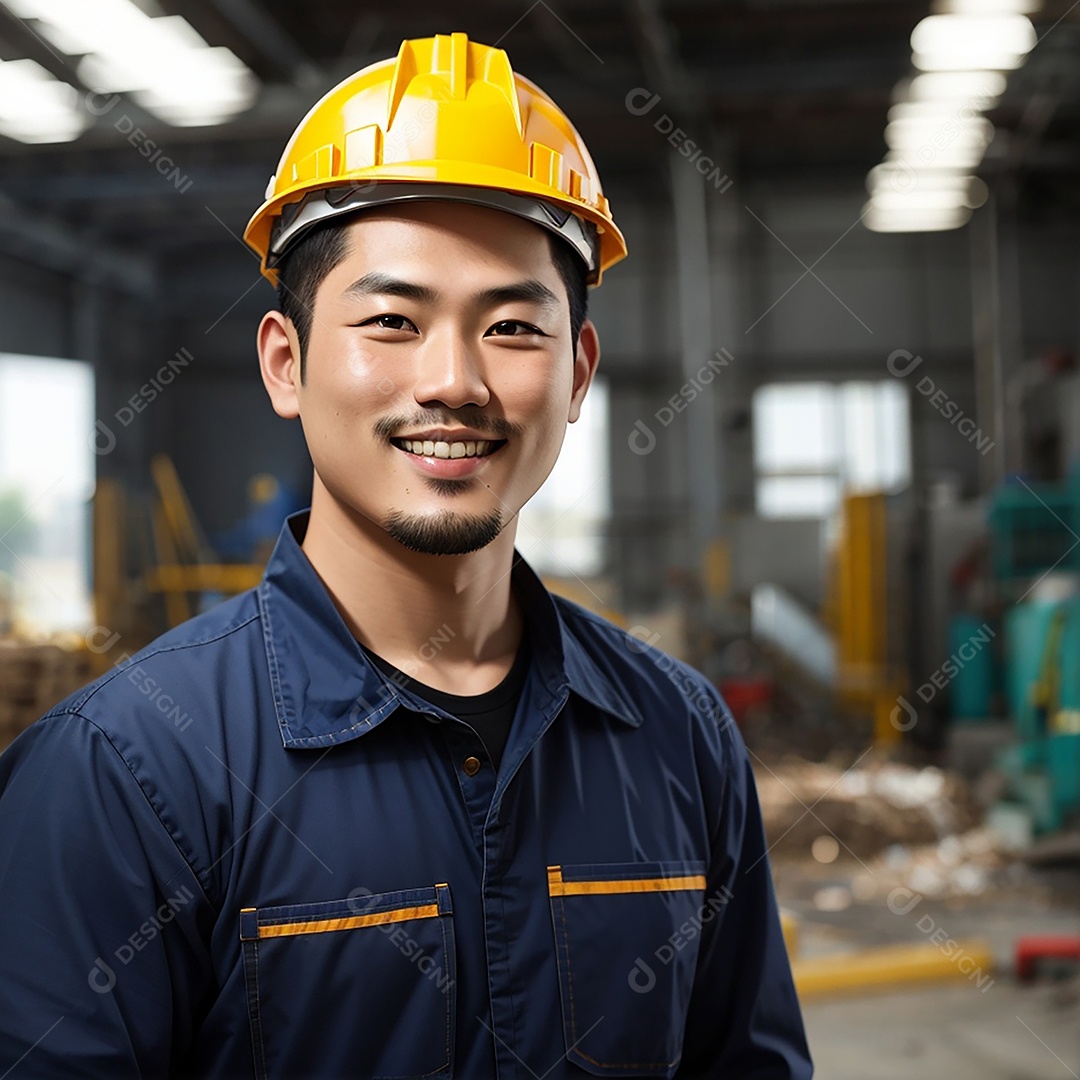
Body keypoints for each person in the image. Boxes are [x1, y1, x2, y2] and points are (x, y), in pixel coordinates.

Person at [0, 32, 812, 1079]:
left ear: (577, 373)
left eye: (514, 327)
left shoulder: (679, 735)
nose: (454, 381)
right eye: (392, 319)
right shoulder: (121, 774)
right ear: (285, 364)